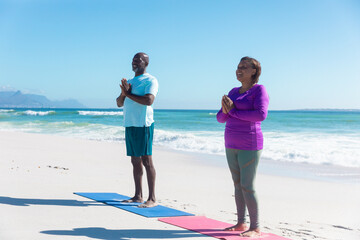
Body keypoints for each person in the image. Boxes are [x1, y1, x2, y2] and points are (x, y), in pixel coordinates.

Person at [216, 56, 269, 237]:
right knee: (237, 185)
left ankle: (255, 227)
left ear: (254, 71)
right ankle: (240, 223)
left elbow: (260, 115)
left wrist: (233, 111)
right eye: (238, 67)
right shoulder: (233, 92)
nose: (239, 70)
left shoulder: (259, 90)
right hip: (231, 142)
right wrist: (226, 111)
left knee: (248, 186)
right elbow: (220, 118)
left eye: (244, 67)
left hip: (250, 144)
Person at [116, 52, 159, 208]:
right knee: (135, 161)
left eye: (138, 60)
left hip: (144, 124)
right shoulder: (130, 81)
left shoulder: (151, 80)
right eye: (133, 60)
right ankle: (138, 196)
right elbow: (119, 103)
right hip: (130, 124)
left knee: (147, 161)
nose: (135, 62)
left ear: (146, 63)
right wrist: (124, 93)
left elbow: (149, 100)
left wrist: (129, 93)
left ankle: (152, 198)